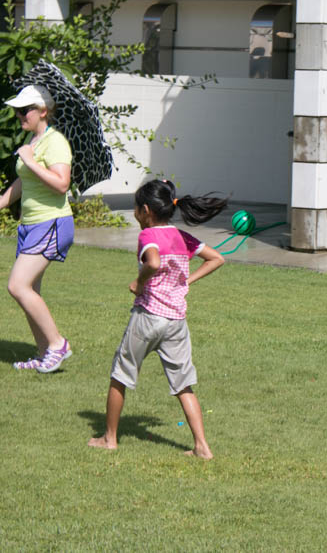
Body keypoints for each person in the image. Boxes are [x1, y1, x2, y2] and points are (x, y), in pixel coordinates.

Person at [89, 179, 228, 459]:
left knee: (120, 374)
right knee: (183, 385)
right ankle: (202, 446)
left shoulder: (148, 235)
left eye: (136, 210)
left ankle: (110, 439)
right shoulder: (181, 237)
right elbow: (216, 258)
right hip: (176, 321)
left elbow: (152, 262)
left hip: (148, 317)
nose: (135, 216)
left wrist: (139, 282)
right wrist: (188, 280)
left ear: (145, 210)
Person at [0, 84, 75, 373]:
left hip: (52, 223)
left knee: (17, 285)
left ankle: (58, 344)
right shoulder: (34, 141)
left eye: (25, 110)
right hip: (31, 225)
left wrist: (31, 162)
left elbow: (61, 184)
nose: (19, 115)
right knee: (30, 290)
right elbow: (23, 183)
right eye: (17, 111)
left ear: (43, 111)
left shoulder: (55, 142)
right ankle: (45, 353)